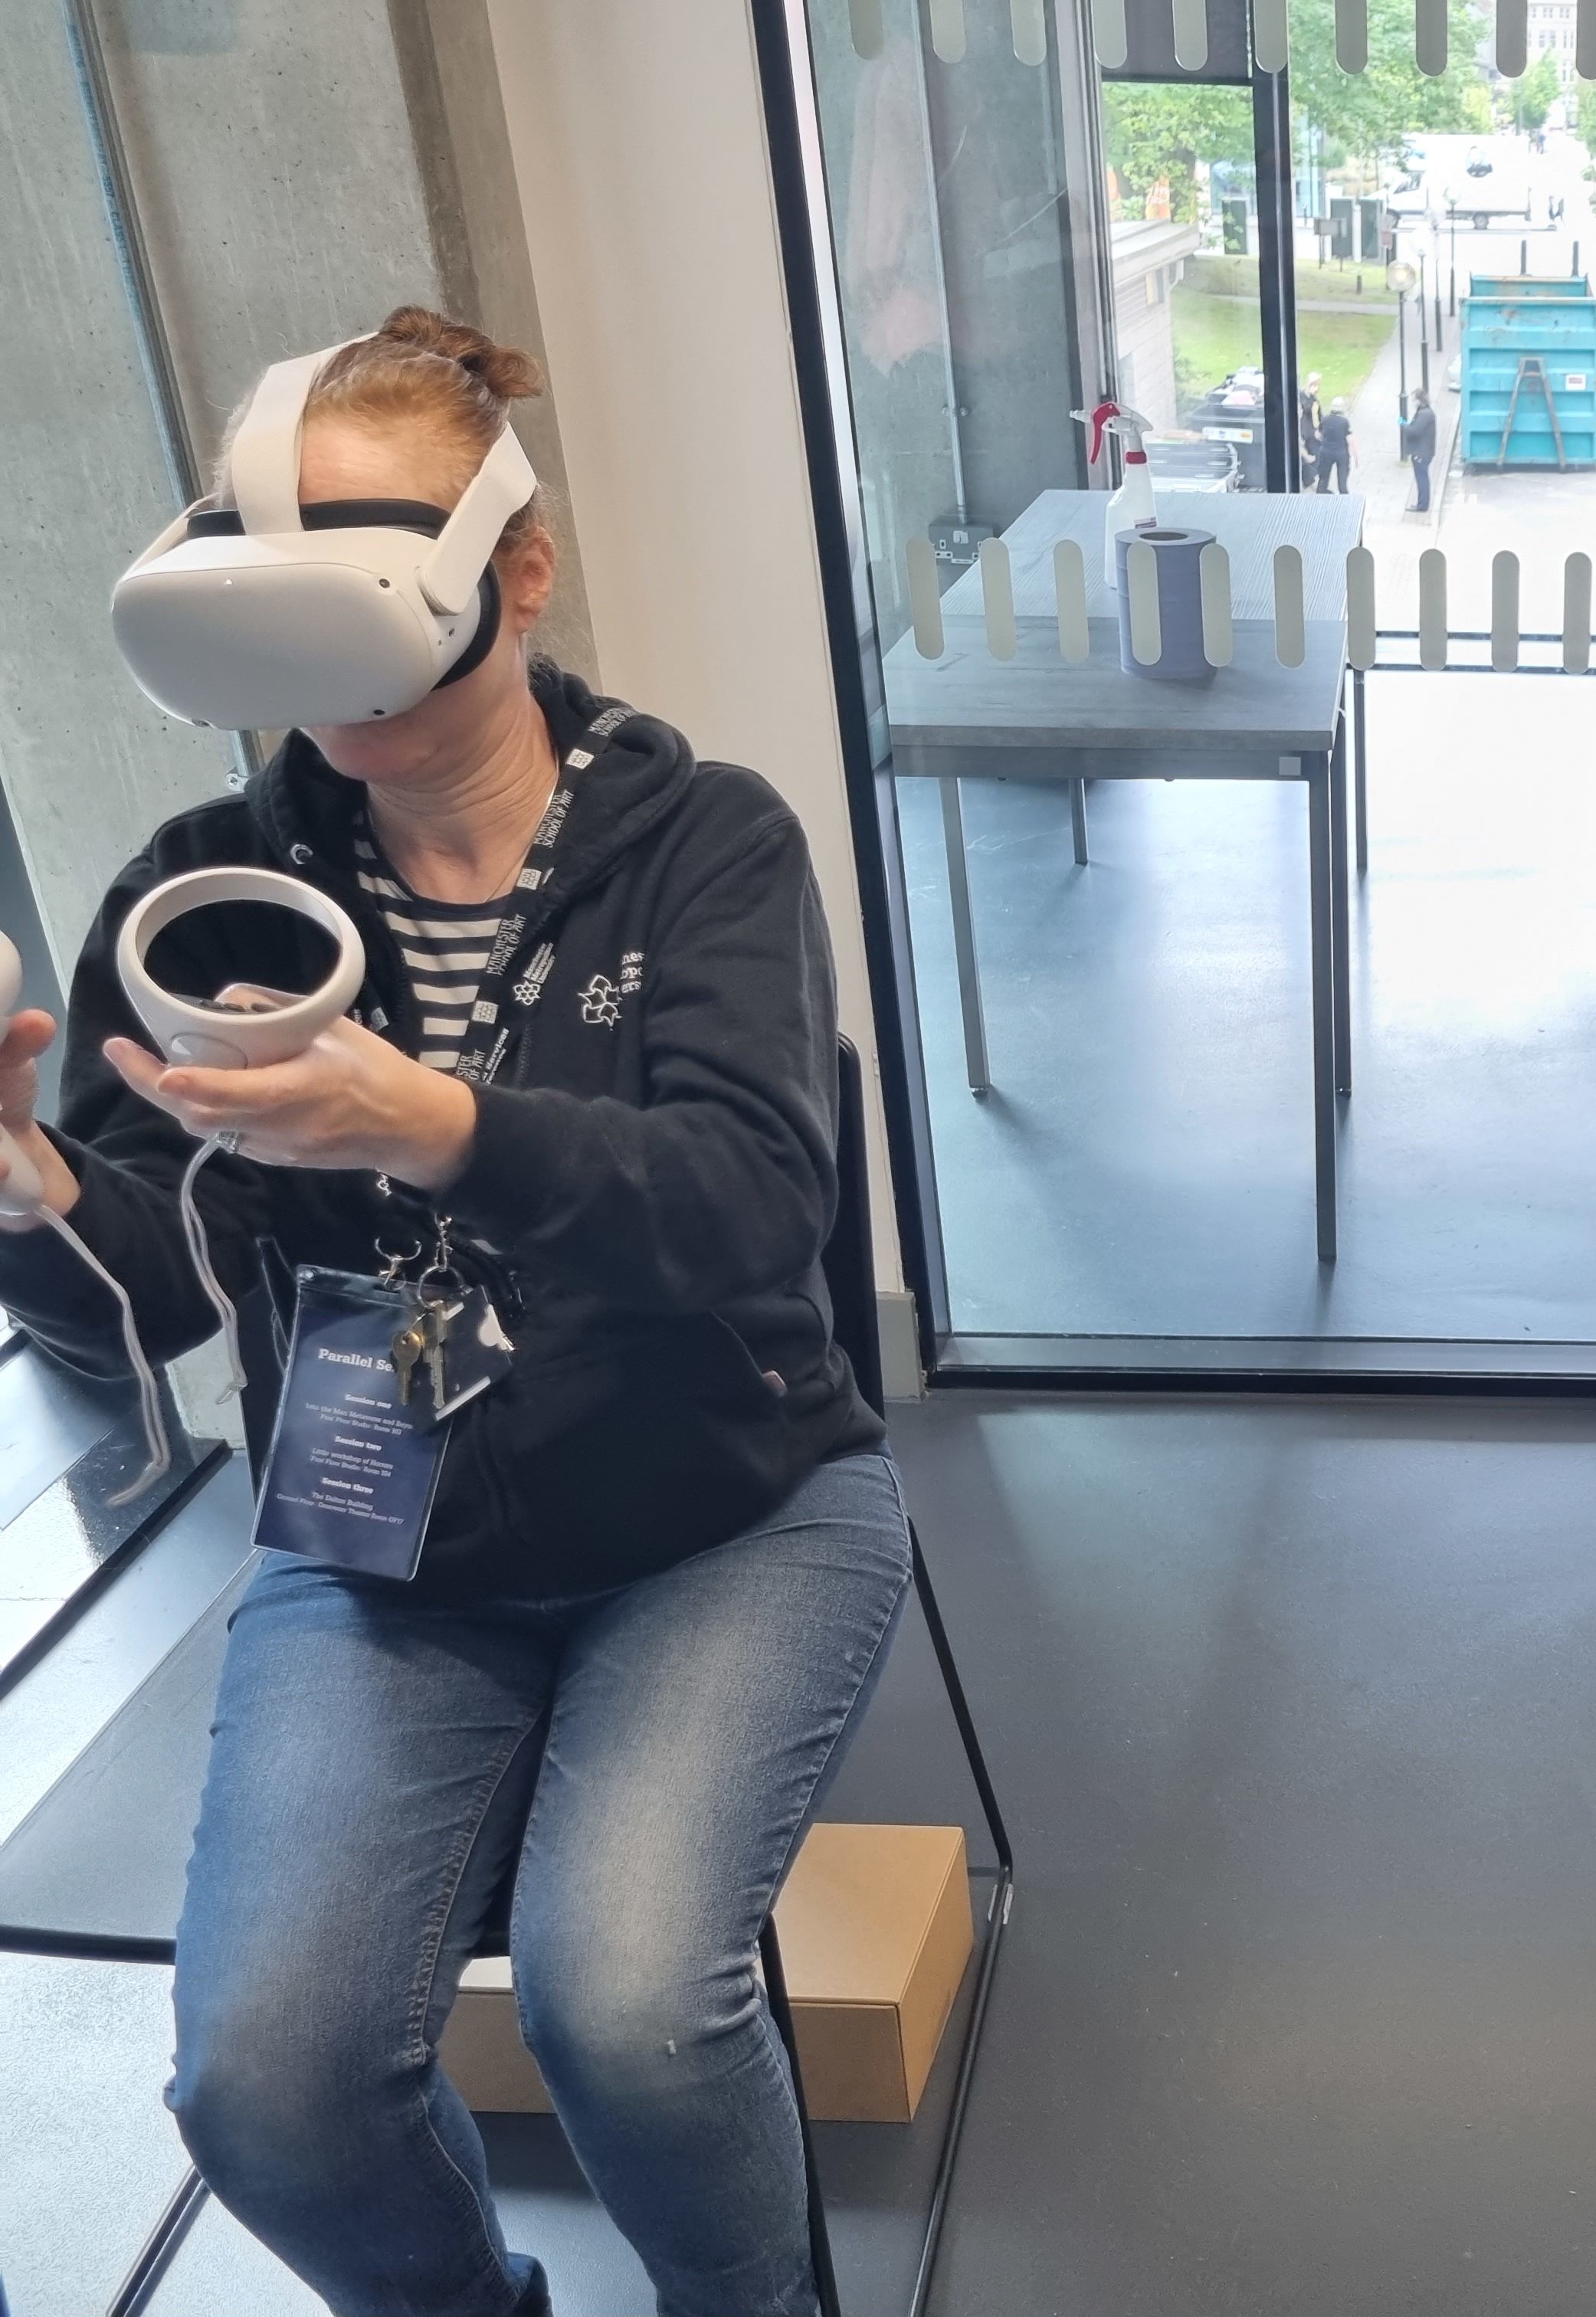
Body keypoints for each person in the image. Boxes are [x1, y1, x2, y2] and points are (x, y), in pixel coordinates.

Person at [0, 308, 904, 2317]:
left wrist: (436, 1128)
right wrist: (31, 1188)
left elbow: (758, 1211)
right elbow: (150, 1291)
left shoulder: (704, 846)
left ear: (521, 566)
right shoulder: (209, 893)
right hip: (386, 1545)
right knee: (266, 2084)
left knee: (628, 2005)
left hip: (725, 1512)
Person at [1402, 388, 1438, 513]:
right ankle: (1422, 503)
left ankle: (1422, 505)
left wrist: (1403, 426)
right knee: (1422, 477)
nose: (1412, 403)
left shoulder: (1424, 414)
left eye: (1414, 400)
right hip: (1424, 451)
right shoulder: (1426, 413)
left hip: (1421, 453)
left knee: (1422, 478)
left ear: (1419, 401)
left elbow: (1415, 431)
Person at [1317, 398, 1353, 493]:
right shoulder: (1344, 422)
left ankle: (1321, 494)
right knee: (1342, 481)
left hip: (1326, 452)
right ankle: (1343, 495)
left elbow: (1319, 433)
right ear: (1342, 408)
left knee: (1323, 479)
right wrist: (1356, 456)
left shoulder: (1325, 419)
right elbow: (1350, 439)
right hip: (1341, 453)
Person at [1298, 369, 1324, 488]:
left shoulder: (1313, 399)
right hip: (1305, 431)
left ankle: (1312, 479)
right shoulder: (1303, 398)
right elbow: (1312, 415)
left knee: (1317, 454)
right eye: (1314, 385)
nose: (1316, 388)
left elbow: (1318, 416)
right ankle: (1310, 480)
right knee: (1308, 456)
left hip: (1310, 431)